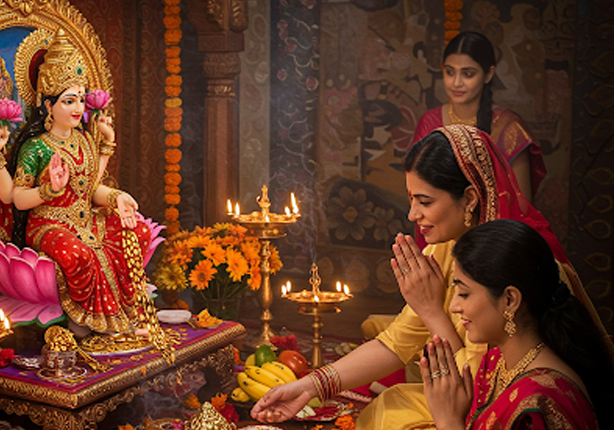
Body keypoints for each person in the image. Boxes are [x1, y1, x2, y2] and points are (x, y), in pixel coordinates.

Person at [250, 124, 612, 428]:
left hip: (494, 406)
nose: (413, 215)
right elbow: (397, 342)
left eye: (424, 202)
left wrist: (433, 313)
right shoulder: (442, 248)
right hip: (471, 395)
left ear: (469, 198)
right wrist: (313, 385)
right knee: (388, 408)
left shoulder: (519, 262)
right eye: (410, 200)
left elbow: (478, 386)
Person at [0, 29, 151, 334]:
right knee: (79, 254)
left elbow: (90, 188)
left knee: (136, 231)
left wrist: (116, 196)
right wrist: (50, 190)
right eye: (68, 101)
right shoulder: (36, 147)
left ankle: (122, 315)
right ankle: (86, 320)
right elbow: (17, 199)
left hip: (84, 221)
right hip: (48, 224)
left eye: (81, 101)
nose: (77, 109)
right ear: (47, 106)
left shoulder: (83, 140)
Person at [423, 219, 613, 430]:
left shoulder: (540, 401)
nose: (454, 306)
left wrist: (448, 422)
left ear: (510, 300)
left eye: (464, 294)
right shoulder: (495, 364)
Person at [414, 31, 544, 202]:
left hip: (495, 228)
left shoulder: (509, 128)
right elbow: (420, 194)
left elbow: (522, 207)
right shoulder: (430, 123)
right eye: (450, 72)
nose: (456, 82)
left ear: (489, 74)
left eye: (468, 74)